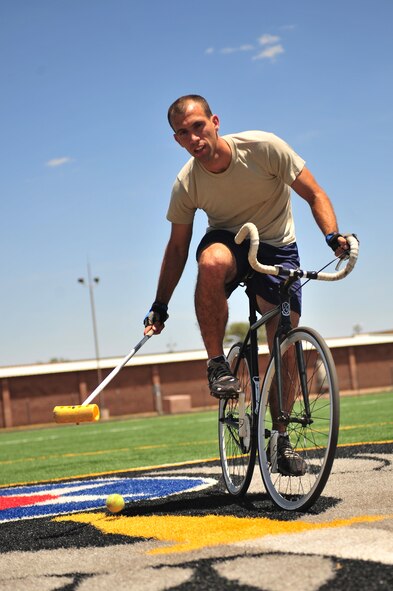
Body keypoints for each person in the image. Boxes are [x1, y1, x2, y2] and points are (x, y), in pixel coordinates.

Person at [143, 94, 350, 475]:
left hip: (278, 248)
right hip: (229, 240)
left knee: (284, 345)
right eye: (183, 133)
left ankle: (281, 440)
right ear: (177, 140)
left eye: (198, 127)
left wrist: (332, 235)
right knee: (210, 261)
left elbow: (314, 193)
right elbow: (177, 247)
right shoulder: (187, 183)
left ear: (215, 121)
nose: (193, 138)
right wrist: (160, 304)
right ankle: (217, 364)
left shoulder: (264, 148)